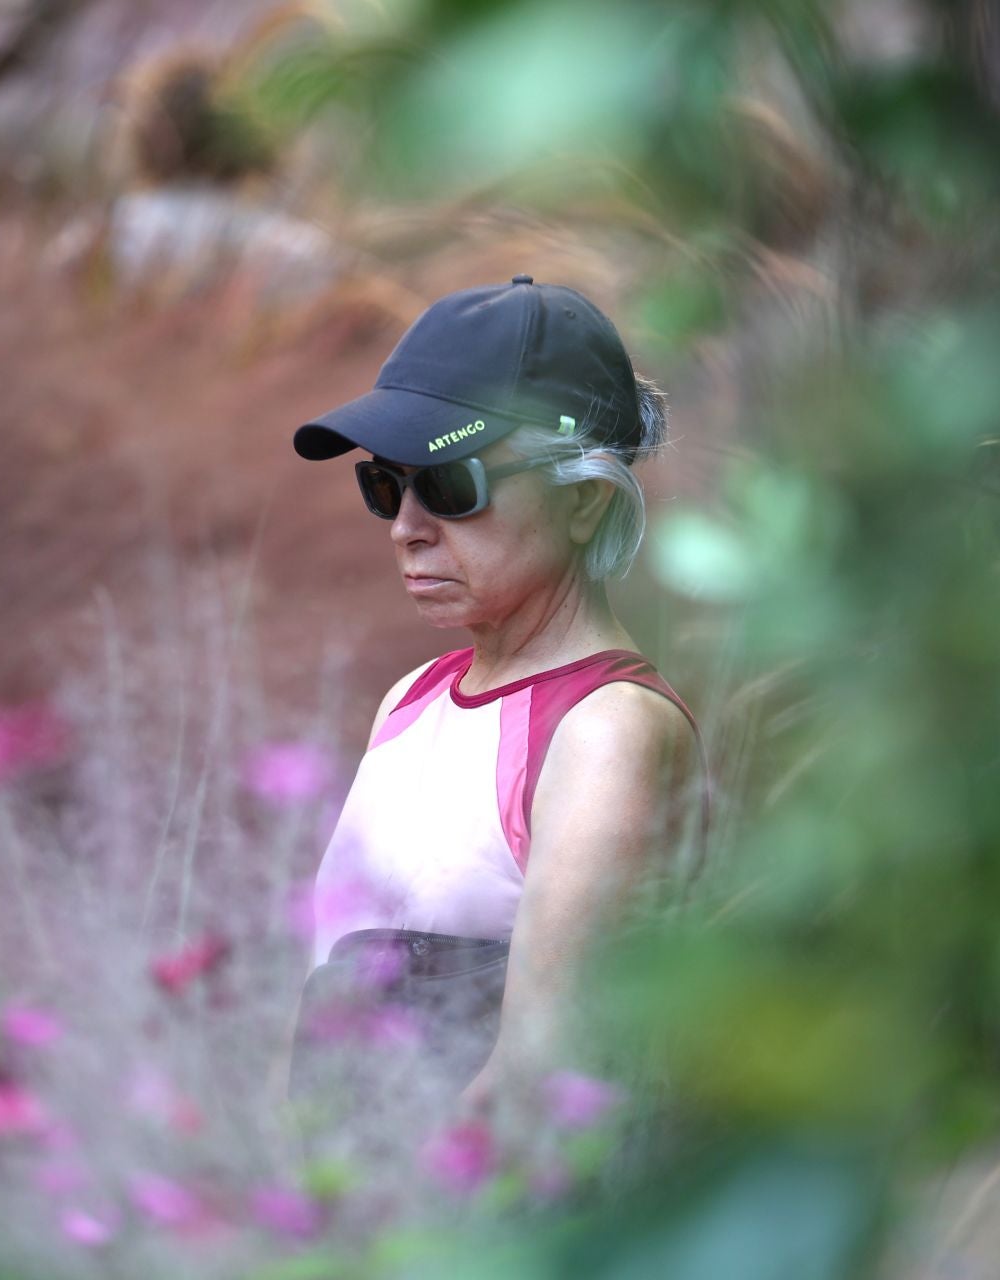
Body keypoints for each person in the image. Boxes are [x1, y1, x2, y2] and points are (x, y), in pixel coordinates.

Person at [278, 275, 710, 1146]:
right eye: (383, 485)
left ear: (583, 499)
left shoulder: (604, 730)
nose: (405, 525)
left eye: (448, 483)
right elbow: (315, 994)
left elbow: (536, 1076)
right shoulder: (413, 699)